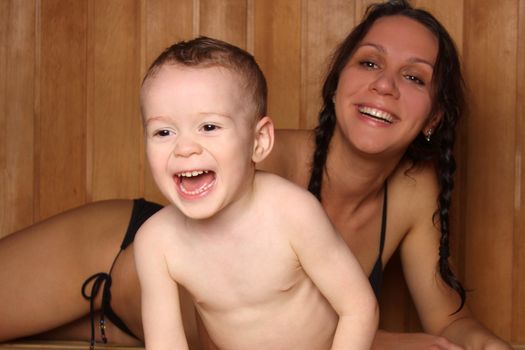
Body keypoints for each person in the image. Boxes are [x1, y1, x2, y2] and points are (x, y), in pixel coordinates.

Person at [0, 1, 513, 349]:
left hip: (146, 322)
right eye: (369, 63)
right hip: (112, 249)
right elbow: (248, 312)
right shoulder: (257, 165)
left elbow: (445, 321)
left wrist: (485, 343)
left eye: (412, 76)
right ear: (336, 85)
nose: (384, 87)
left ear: (435, 116)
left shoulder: (412, 190)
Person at [134, 36, 378, 350]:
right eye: (163, 132)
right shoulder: (156, 241)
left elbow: (358, 306)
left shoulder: (292, 213)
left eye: (209, 127)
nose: (184, 148)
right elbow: (165, 343)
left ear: (259, 141)